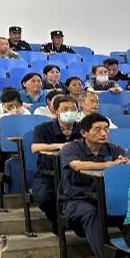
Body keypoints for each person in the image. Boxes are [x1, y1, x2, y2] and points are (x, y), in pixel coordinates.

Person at [59, 114, 130, 258]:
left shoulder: (115, 149)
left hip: (105, 198)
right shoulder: (71, 148)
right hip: (76, 199)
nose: (103, 133)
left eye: (106, 129)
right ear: (84, 132)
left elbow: (127, 164)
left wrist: (127, 162)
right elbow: (76, 165)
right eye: (97, 129)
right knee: (91, 213)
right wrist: (109, 165)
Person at [30, 96, 81, 226]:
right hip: (48, 174)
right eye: (65, 109)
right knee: (45, 198)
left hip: (77, 174)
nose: (70, 112)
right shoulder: (43, 128)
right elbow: (35, 147)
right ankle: (57, 222)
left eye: (73, 109)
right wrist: (61, 146)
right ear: (56, 111)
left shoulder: (83, 129)